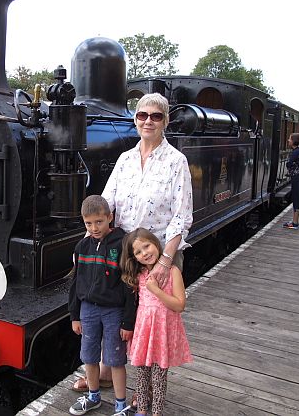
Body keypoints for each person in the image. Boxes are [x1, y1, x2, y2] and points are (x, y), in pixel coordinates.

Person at [73, 92, 193, 396]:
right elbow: (107, 203)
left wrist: (165, 263)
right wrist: (87, 244)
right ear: (135, 119)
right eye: (142, 115)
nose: (148, 121)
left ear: (165, 121)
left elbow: (182, 216)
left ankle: (147, 388)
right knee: (119, 314)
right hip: (125, 252)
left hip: (158, 254)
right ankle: (105, 372)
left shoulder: (177, 161)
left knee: (152, 319)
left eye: (155, 116)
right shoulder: (125, 159)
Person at [68, 195, 136, 416]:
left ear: (110, 217)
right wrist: (74, 315)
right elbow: (76, 281)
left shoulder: (123, 244)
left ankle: (120, 404)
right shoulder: (82, 246)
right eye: (89, 223)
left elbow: (129, 286)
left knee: (115, 359)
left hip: (113, 311)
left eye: (99, 221)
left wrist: (128, 321)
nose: (94, 227)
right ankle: (93, 396)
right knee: (89, 355)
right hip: (88, 310)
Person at [121, 228, 192, 416]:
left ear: (156, 244)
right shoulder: (138, 275)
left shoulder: (173, 271)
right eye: (138, 251)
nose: (145, 253)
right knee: (142, 375)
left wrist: (156, 290)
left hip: (163, 331)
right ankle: (142, 410)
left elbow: (179, 305)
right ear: (134, 257)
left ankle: (157, 413)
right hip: (144, 331)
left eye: (147, 246)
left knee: (159, 377)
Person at [283, 133, 299, 230]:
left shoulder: (296, 152)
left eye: (290, 139)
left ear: (294, 141)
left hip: (297, 179)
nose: (288, 140)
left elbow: (289, 164)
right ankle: (294, 221)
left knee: (296, 199)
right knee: (297, 198)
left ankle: (295, 223)